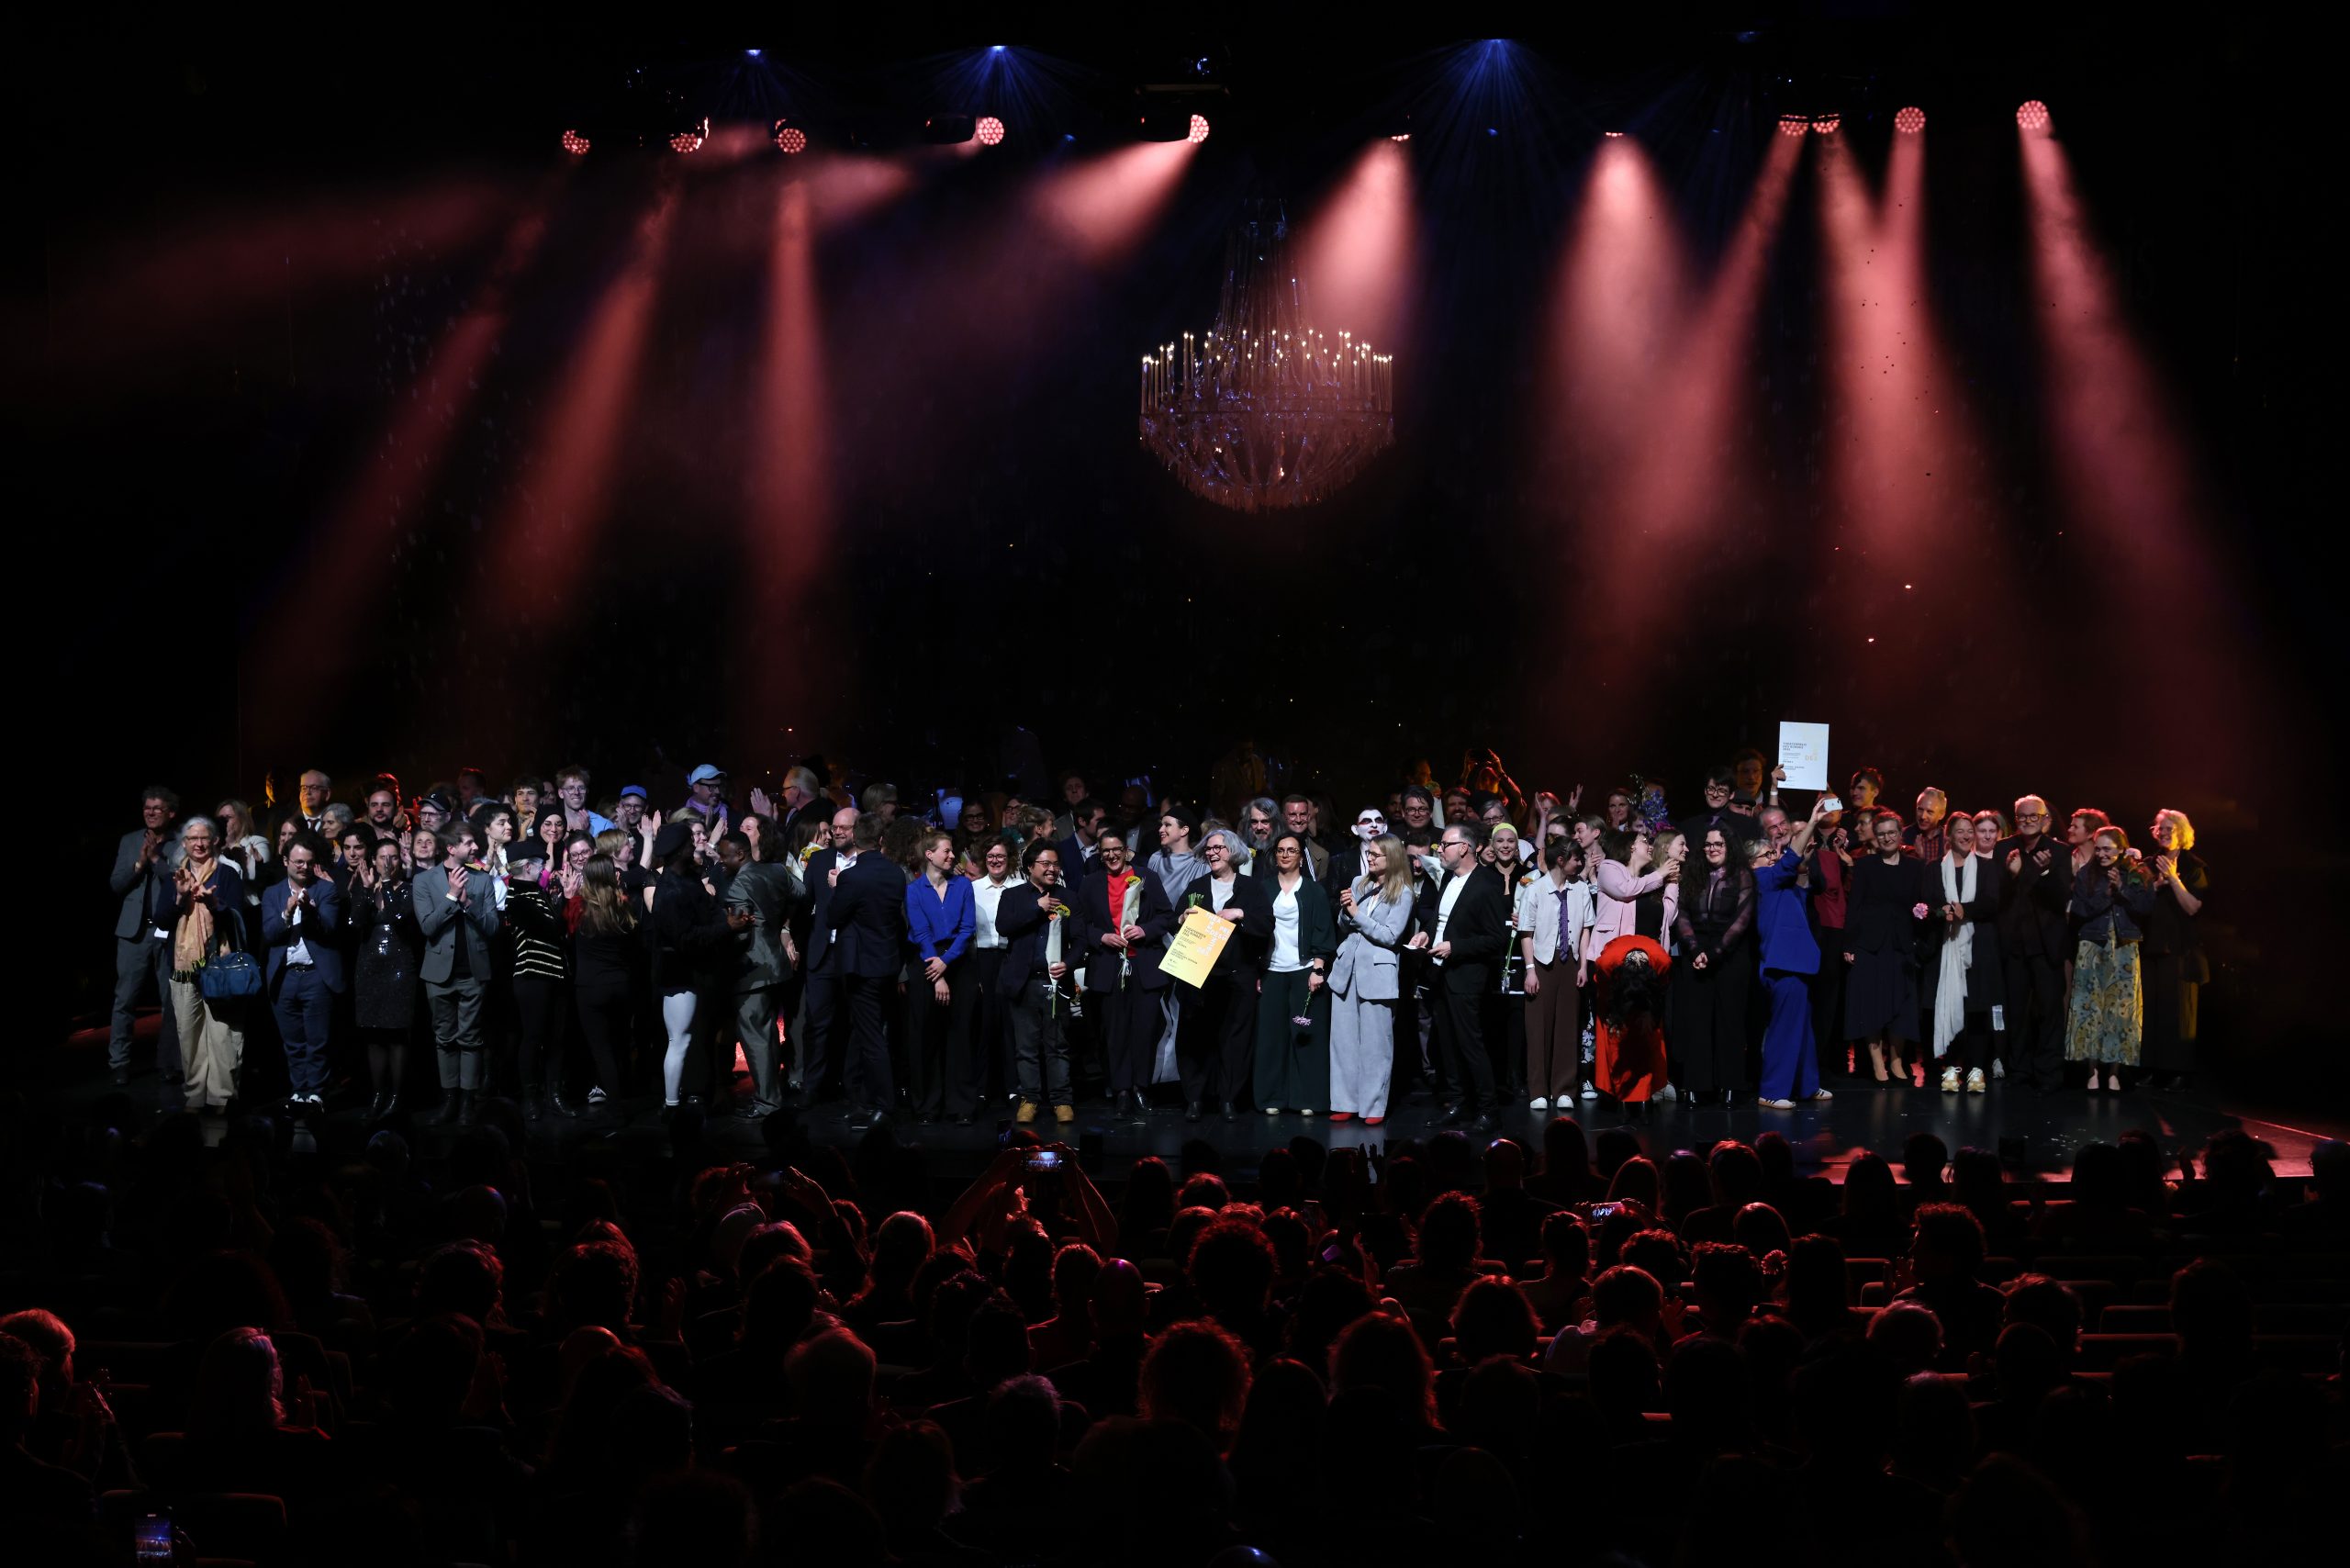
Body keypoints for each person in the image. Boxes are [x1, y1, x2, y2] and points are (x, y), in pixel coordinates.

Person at [1408, 822, 1510, 1130]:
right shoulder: (1448, 879)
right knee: (1447, 1044)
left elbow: (1496, 938)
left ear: (1464, 847)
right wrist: (1426, 934)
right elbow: (1441, 922)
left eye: (1445, 844)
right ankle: (1456, 1103)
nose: (1439, 849)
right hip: (1439, 974)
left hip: (1466, 977)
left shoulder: (1487, 884)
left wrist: (1455, 947)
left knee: (1470, 1044)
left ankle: (1488, 1110)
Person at [1074, 825, 1177, 1126]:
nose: (1111, 855)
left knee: (1144, 1031)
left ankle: (1140, 1088)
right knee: (1115, 1033)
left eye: (1116, 849)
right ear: (1099, 854)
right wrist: (1101, 937)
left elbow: (1166, 916)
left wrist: (1145, 930)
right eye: (1105, 851)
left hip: (1144, 966)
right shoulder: (1090, 884)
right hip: (1109, 967)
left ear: (1126, 851)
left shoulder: (1147, 877)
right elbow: (1080, 925)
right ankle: (1121, 1090)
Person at [649, 822, 748, 1115]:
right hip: (679, 974)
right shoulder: (670, 891)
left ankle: (692, 1095)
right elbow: (686, 938)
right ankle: (671, 1104)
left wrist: (727, 922)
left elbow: (707, 913)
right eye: (689, 844)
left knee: (694, 1037)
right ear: (680, 851)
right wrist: (727, 927)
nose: (695, 845)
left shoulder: (688, 880)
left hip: (696, 972)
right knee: (679, 1039)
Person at [1173, 827, 1272, 1122]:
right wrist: (1182, 917)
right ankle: (1195, 1099)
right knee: (1195, 1038)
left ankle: (1229, 1098)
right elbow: (1176, 919)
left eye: (1219, 848)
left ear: (1233, 852)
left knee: (1234, 1039)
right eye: (1209, 848)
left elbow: (1266, 924)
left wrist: (1239, 914)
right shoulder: (1196, 886)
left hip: (1237, 974)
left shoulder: (1251, 888)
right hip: (1198, 975)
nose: (1212, 853)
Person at [154, 814, 247, 1112]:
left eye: (203, 838)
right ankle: (195, 1096)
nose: (198, 844)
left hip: (219, 966)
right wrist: (180, 898)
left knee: (223, 1036)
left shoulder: (226, 874)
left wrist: (213, 904)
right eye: (192, 838)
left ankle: (221, 1099)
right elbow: (161, 921)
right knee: (189, 1037)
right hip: (184, 968)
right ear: (184, 843)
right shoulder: (175, 877)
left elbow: (237, 917)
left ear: (214, 841)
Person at [413, 822, 503, 1126]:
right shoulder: (424, 881)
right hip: (439, 972)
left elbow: (492, 927)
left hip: (473, 971)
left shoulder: (482, 880)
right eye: (469, 842)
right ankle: (449, 1099)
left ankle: (467, 1102)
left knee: (471, 1038)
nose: (475, 847)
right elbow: (428, 926)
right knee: (444, 1038)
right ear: (451, 848)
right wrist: (452, 897)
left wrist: (468, 904)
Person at [1586, 825, 1679, 1105]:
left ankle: (1644, 1088)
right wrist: (1661, 874)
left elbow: (1668, 917)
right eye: (1643, 841)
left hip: (1646, 962)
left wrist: (1672, 883)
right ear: (1630, 846)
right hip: (1613, 959)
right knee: (1614, 1025)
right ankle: (1613, 1089)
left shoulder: (1651, 880)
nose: (1649, 845)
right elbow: (1625, 891)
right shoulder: (1609, 869)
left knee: (1645, 1025)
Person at [1329, 833, 1416, 1126]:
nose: (1370, 858)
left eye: (1376, 854)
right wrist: (1346, 912)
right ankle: (1345, 1102)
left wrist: (1356, 914)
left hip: (1377, 972)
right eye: (1369, 853)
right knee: (1343, 1042)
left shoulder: (1403, 892)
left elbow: (1390, 935)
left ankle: (1374, 1106)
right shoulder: (1359, 883)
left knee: (1376, 1045)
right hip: (1346, 970)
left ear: (1392, 857)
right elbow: (1344, 925)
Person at [827, 812, 906, 1128]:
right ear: (881, 840)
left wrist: (836, 887)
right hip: (887, 963)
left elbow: (833, 917)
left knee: (871, 1037)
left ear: (856, 839)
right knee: (866, 1033)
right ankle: (862, 1100)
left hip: (861, 967)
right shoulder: (895, 874)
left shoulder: (852, 877)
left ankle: (884, 1106)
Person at [2065, 825, 2157, 1092]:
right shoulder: (2087, 874)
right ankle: (2092, 1071)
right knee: (2090, 1008)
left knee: (2120, 1010)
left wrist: (2122, 889)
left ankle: (2114, 1071)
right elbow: (2080, 909)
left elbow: (2146, 907)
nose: (2102, 854)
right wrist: (2107, 895)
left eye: (2107, 849)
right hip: (2092, 946)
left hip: (2124, 947)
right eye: (2098, 849)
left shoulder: (2138, 872)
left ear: (2121, 849)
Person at [1671, 826, 1757, 1104]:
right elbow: (1682, 914)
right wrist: (1695, 949)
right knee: (1697, 1021)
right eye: (1708, 844)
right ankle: (1696, 1085)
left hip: (1730, 954)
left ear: (1729, 846)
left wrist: (1715, 952)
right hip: (1695, 952)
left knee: (1730, 1022)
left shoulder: (1742, 875)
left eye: (1719, 844)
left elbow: (1742, 919)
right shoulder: (1692, 875)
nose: (1713, 848)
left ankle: (1729, 1084)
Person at [1253, 832, 1337, 1117]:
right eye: (1280, 850)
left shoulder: (1314, 891)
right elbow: (1257, 932)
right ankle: (1271, 1097)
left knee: (1306, 1035)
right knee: (1271, 1037)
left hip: (1304, 971)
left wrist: (1318, 968)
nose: (1285, 855)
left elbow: (1323, 930)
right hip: (1273, 971)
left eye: (1291, 850)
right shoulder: (1264, 889)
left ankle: (1308, 1099)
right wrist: (1258, 969)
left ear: (1301, 856)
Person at [1753, 797, 1830, 1109]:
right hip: (1782, 964)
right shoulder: (1761, 878)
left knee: (1803, 1027)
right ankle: (1772, 1090)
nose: (1772, 857)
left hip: (1797, 962)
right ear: (1752, 862)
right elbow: (1787, 864)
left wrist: (1803, 859)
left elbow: (1800, 880)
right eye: (1766, 855)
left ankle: (1806, 1085)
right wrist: (1812, 822)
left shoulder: (1779, 880)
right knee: (1785, 1028)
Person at [997, 839, 1080, 1126]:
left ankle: (1062, 1100)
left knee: (1058, 1045)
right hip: (1024, 982)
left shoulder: (1069, 897)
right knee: (1026, 1047)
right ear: (1030, 866)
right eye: (1045, 864)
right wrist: (1037, 907)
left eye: (1055, 864)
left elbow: (1080, 939)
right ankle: (1030, 1098)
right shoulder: (1013, 896)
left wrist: (1068, 963)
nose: (1052, 869)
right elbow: (1003, 927)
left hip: (1056, 982)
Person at [261, 833, 345, 1114]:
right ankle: (299, 1092)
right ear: (286, 861)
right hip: (284, 977)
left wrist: (309, 912)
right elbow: (269, 934)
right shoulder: (272, 893)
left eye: (309, 862)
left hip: (315, 976)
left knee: (318, 1041)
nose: (304, 867)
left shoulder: (326, 890)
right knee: (293, 1042)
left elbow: (330, 929)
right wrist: (287, 914)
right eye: (298, 862)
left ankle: (316, 1094)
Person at [1993, 795, 2073, 1093]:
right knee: (2016, 1012)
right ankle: (2019, 1069)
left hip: (2045, 945)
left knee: (2049, 1011)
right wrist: (2011, 876)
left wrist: (2043, 873)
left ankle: (2049, 1073)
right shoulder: (2004, 849)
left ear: (2045, 819)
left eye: (2033, 817)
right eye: (2022, 817)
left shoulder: (2059, 851)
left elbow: (2061, 899)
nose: (2027, 821)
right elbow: (1996, 895)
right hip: (2014, 944)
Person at [1922, 812, 2005, 1094]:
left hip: (1979, 947)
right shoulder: (1934, 868)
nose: (1967, 836)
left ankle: (1977, 1069)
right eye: (1961, 831)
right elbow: (1928, 902)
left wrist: (1964, 910)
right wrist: (1941, 911)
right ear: (1949, 835)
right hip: (1946, 947)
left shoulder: (1987, 867)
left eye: (1970, 831)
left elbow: (1992, 902)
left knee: (1978, 1010)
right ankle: (1950, 1067)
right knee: (1949, 1005)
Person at [109, 786, 185, 1087]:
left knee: (170, 1001)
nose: (151, 813)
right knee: (125, 999)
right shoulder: (130, 841)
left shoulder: (181, 842)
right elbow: (116, 884)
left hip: (167, 930)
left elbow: (179, 882)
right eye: (147, 808)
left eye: (157, 808)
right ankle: (119, 1063)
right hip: (133, 932)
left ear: (171, 813)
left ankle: (169, 1062)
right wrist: (140, 864)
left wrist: (156, 860)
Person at [1842, 811, 1925, 1087]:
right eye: (1881, 834)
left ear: (1900, 834)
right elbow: (1855, 905)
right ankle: (1878, 1063)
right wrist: (1849, 943)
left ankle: (1897, 1061)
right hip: (1870, 944)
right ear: (1875, 838)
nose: (1887, 838)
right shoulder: (1865, 865)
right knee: (1872, 1003)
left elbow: (1919, 904)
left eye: (1891, 832)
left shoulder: (1914, 867)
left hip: (1902, 943)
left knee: (1901, 1003)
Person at [721, 829, 799, 1120]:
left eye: (724, 856)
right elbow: (803, 894)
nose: (721, 861)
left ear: (740, 854)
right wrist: (782, 922)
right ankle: (772, 1095)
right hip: (776, 965)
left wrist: (723, 926)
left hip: (752, 970)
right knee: (766, 1035)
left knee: (756, 1038)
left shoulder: (739, 884)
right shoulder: (777, 871)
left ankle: (768, 1102)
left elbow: (739, 933)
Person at [902, 829, 977, 1124]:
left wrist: (945, 963)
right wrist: (938, 973)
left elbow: (967, 929)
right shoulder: (914, 890)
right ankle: (927, 1106)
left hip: (956, 961)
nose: (952, 856)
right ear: (929, 854)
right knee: (926, 1036)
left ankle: (961, 1106)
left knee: (960, 1035)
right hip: (926, 962)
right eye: (946, 851)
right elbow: (920, 932)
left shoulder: (963, 886)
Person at [499, 838, 573, 1121]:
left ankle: (555, 1096)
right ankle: (531, 1098)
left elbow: (559, 930)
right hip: (532, 976)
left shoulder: (539, 895)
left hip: (556, 975)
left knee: (557, 1039)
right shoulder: (517, 898)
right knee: (533, 1037)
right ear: (528, 867)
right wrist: (566, 902)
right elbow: (553, 930)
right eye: (540, 865)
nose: (544, 870)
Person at [1518, 834, 1594, 1110]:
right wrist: (1530, 970)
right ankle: (1538, 1089)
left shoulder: (1580, 889)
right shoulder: (1536, 890)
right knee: (1538, 1027)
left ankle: (1564, 1089)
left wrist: (1583, 965)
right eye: (1576, 859)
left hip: (1570, 962)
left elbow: (1585, 929)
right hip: (1542, 963)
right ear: (1561, 860)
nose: (1580, 863)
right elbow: (1526, 933)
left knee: (1567, 1026)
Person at [350, 832, 420, 1118]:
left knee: (396, 1033)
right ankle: (378, 1093)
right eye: (382, 858)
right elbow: (355, 921)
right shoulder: (365, 887)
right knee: (374, 1033)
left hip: (399, 966)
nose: (388, 863)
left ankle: (396, 1096)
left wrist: (388, 884)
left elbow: (397, 917)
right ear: (373, 861)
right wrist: (368, 891)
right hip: (369, 966)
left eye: (393, 857)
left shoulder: (408, 889)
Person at [2141, 808, 2210, 1091]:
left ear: (2183, 832)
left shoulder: (2194, 866)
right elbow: (2137, 902)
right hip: (2150, 946)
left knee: (2178, 1012)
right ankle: (2151, 1068)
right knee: (2151, 1011)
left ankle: (2177, 1070)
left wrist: (2173, 878)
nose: (2165, 833)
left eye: (2170, 828)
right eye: (2161, 828)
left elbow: (2192, 907)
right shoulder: (2148, 863)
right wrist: (2155, 885)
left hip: (2180, 949)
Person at [566, 854, 640, 1115]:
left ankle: (615, 1108)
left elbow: (566, 937)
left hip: (591, 987)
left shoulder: (579, 906)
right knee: (620, 1043)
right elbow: (633, 945)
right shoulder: (623, 905)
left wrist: (567, 898)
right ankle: (625, 1096)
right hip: (620, 984)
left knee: (601, 1050)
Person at [554, 765, 616, 835]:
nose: (576, 792)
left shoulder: (605, 826)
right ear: (561, 793)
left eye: (581, 788)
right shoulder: (553, 825)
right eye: (571, 788)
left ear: (587, 791)